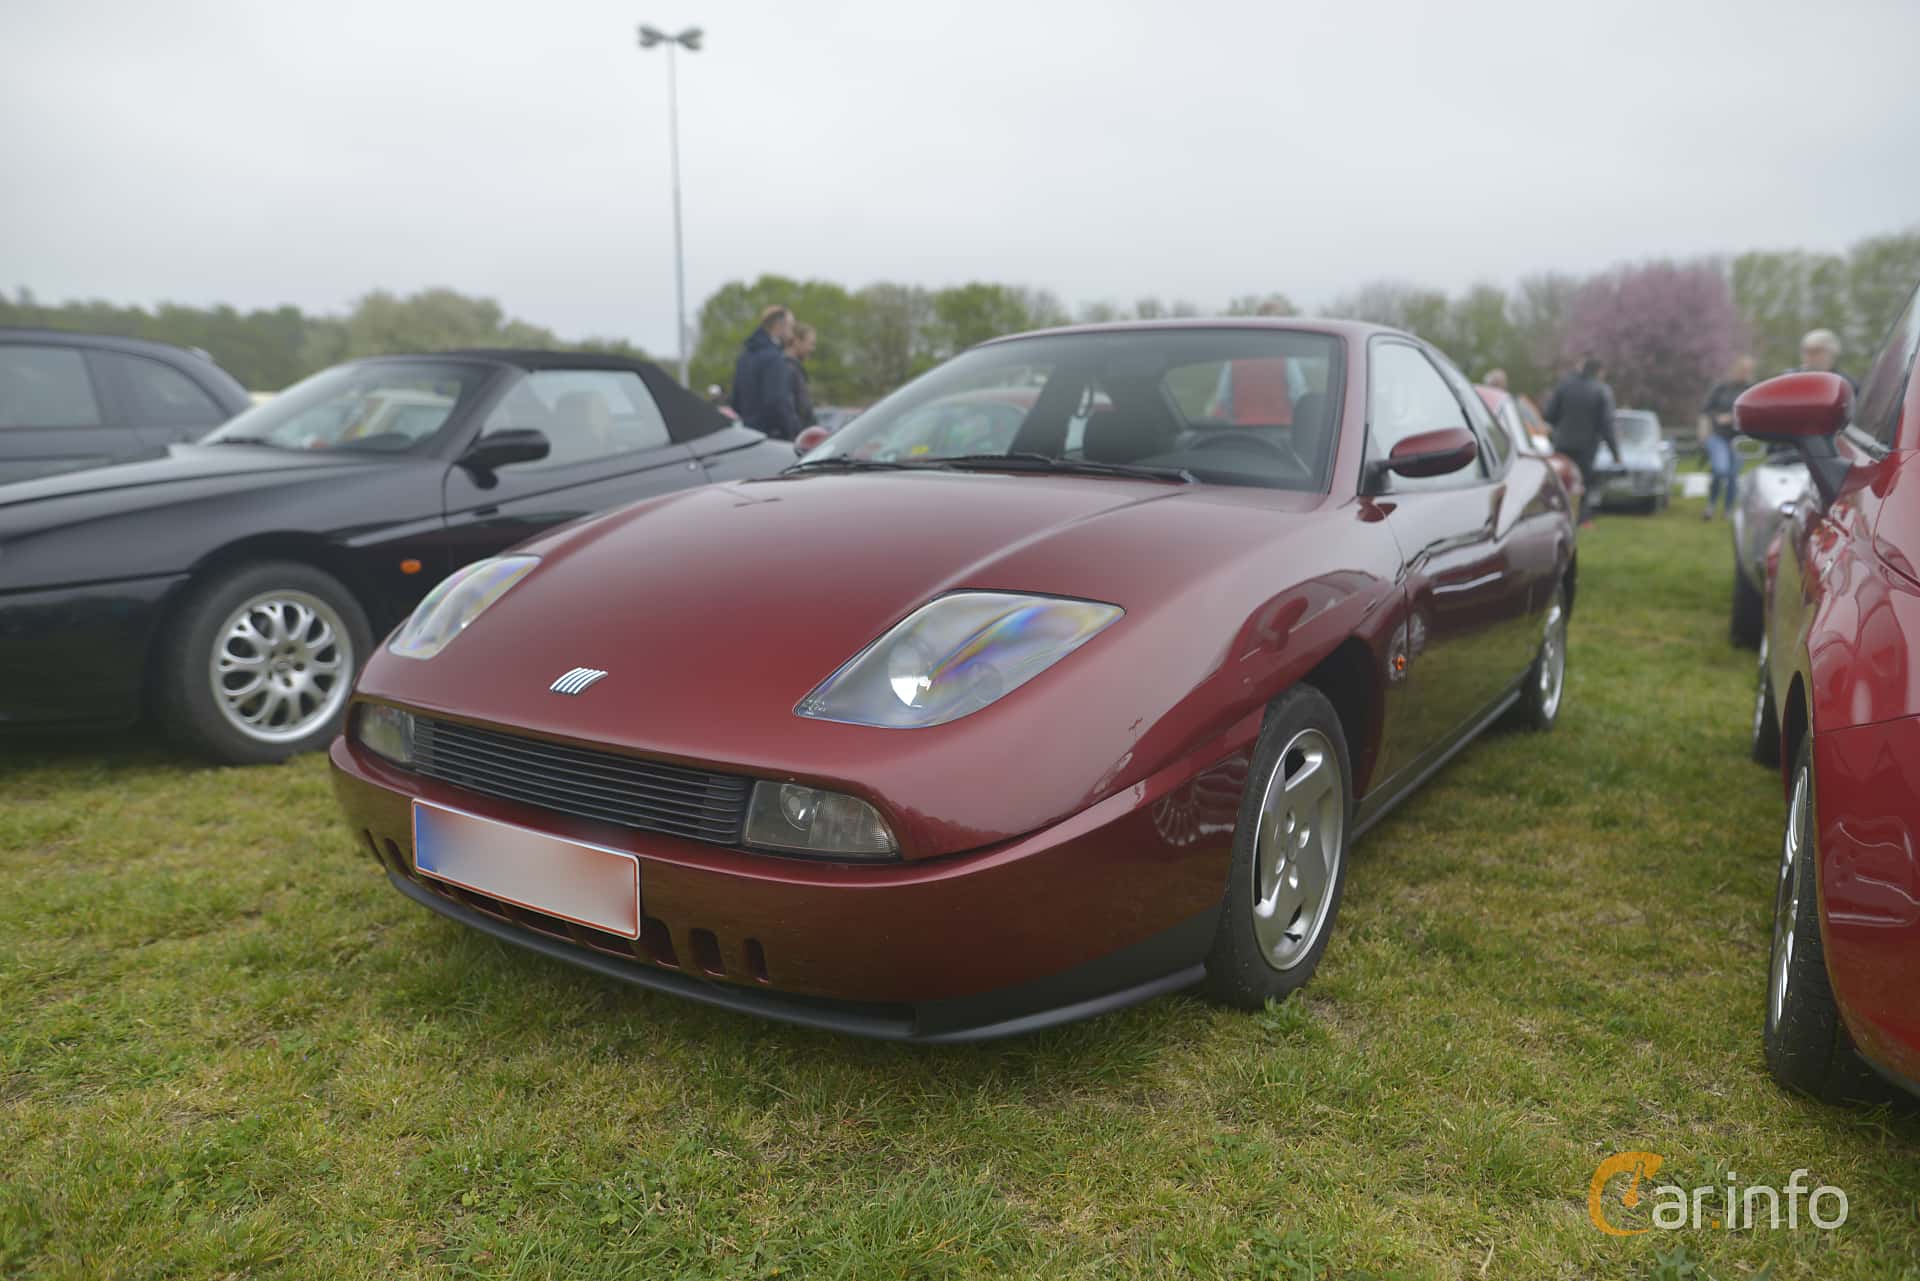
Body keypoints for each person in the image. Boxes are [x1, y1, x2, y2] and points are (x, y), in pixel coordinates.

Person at [1543, 357, 1621, 522]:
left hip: (1562, 443)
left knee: (1563, 481)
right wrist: (1615, 453)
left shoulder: (1564, 386)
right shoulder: (1601, 390)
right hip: (1586, 447)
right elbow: (1607, 425)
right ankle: (1581, 519)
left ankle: (1559, 516)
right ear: (1600, 372)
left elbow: (1549, 415)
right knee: (1583, 483)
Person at [729, 305, 801, 440]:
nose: (792, 334)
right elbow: (778, 402)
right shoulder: (773, 357)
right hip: (774, 438)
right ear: (779, 326)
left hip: (748, 437)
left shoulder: (744, 357)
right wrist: (793, 432)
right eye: (790, 327)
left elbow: (735, 401)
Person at [1698, 355, 1755, 520]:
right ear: (1735, 369)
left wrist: (1733, 417)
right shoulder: (1721, 388)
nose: (1745, 373)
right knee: (1719, 470)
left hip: (1739, 439)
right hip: (1719, 436)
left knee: (1733, 475)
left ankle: (1728, 509)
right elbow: (1707, 410)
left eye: (1748, 370)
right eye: (1742, 370)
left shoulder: (1751, 389)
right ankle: (1711, 504)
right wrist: (1712, 422)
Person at [784, 323, 818, 430]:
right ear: (797, 342)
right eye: (811, 344)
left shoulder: (794, 369)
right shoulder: (788, 370)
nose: (813, 349)